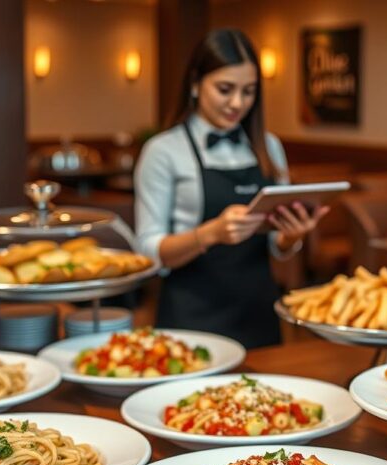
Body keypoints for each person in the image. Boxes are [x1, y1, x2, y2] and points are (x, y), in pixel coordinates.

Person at [135, 29, 328, 349]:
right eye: (225, 89)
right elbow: (148, 251)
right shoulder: (164, 151)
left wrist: (292, 235)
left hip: (258, 312)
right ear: (195, 84)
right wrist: (209, 233)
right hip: (191, 317)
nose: (238, 103)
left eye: (249, 91)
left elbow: (275, 245)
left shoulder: (268, 146)